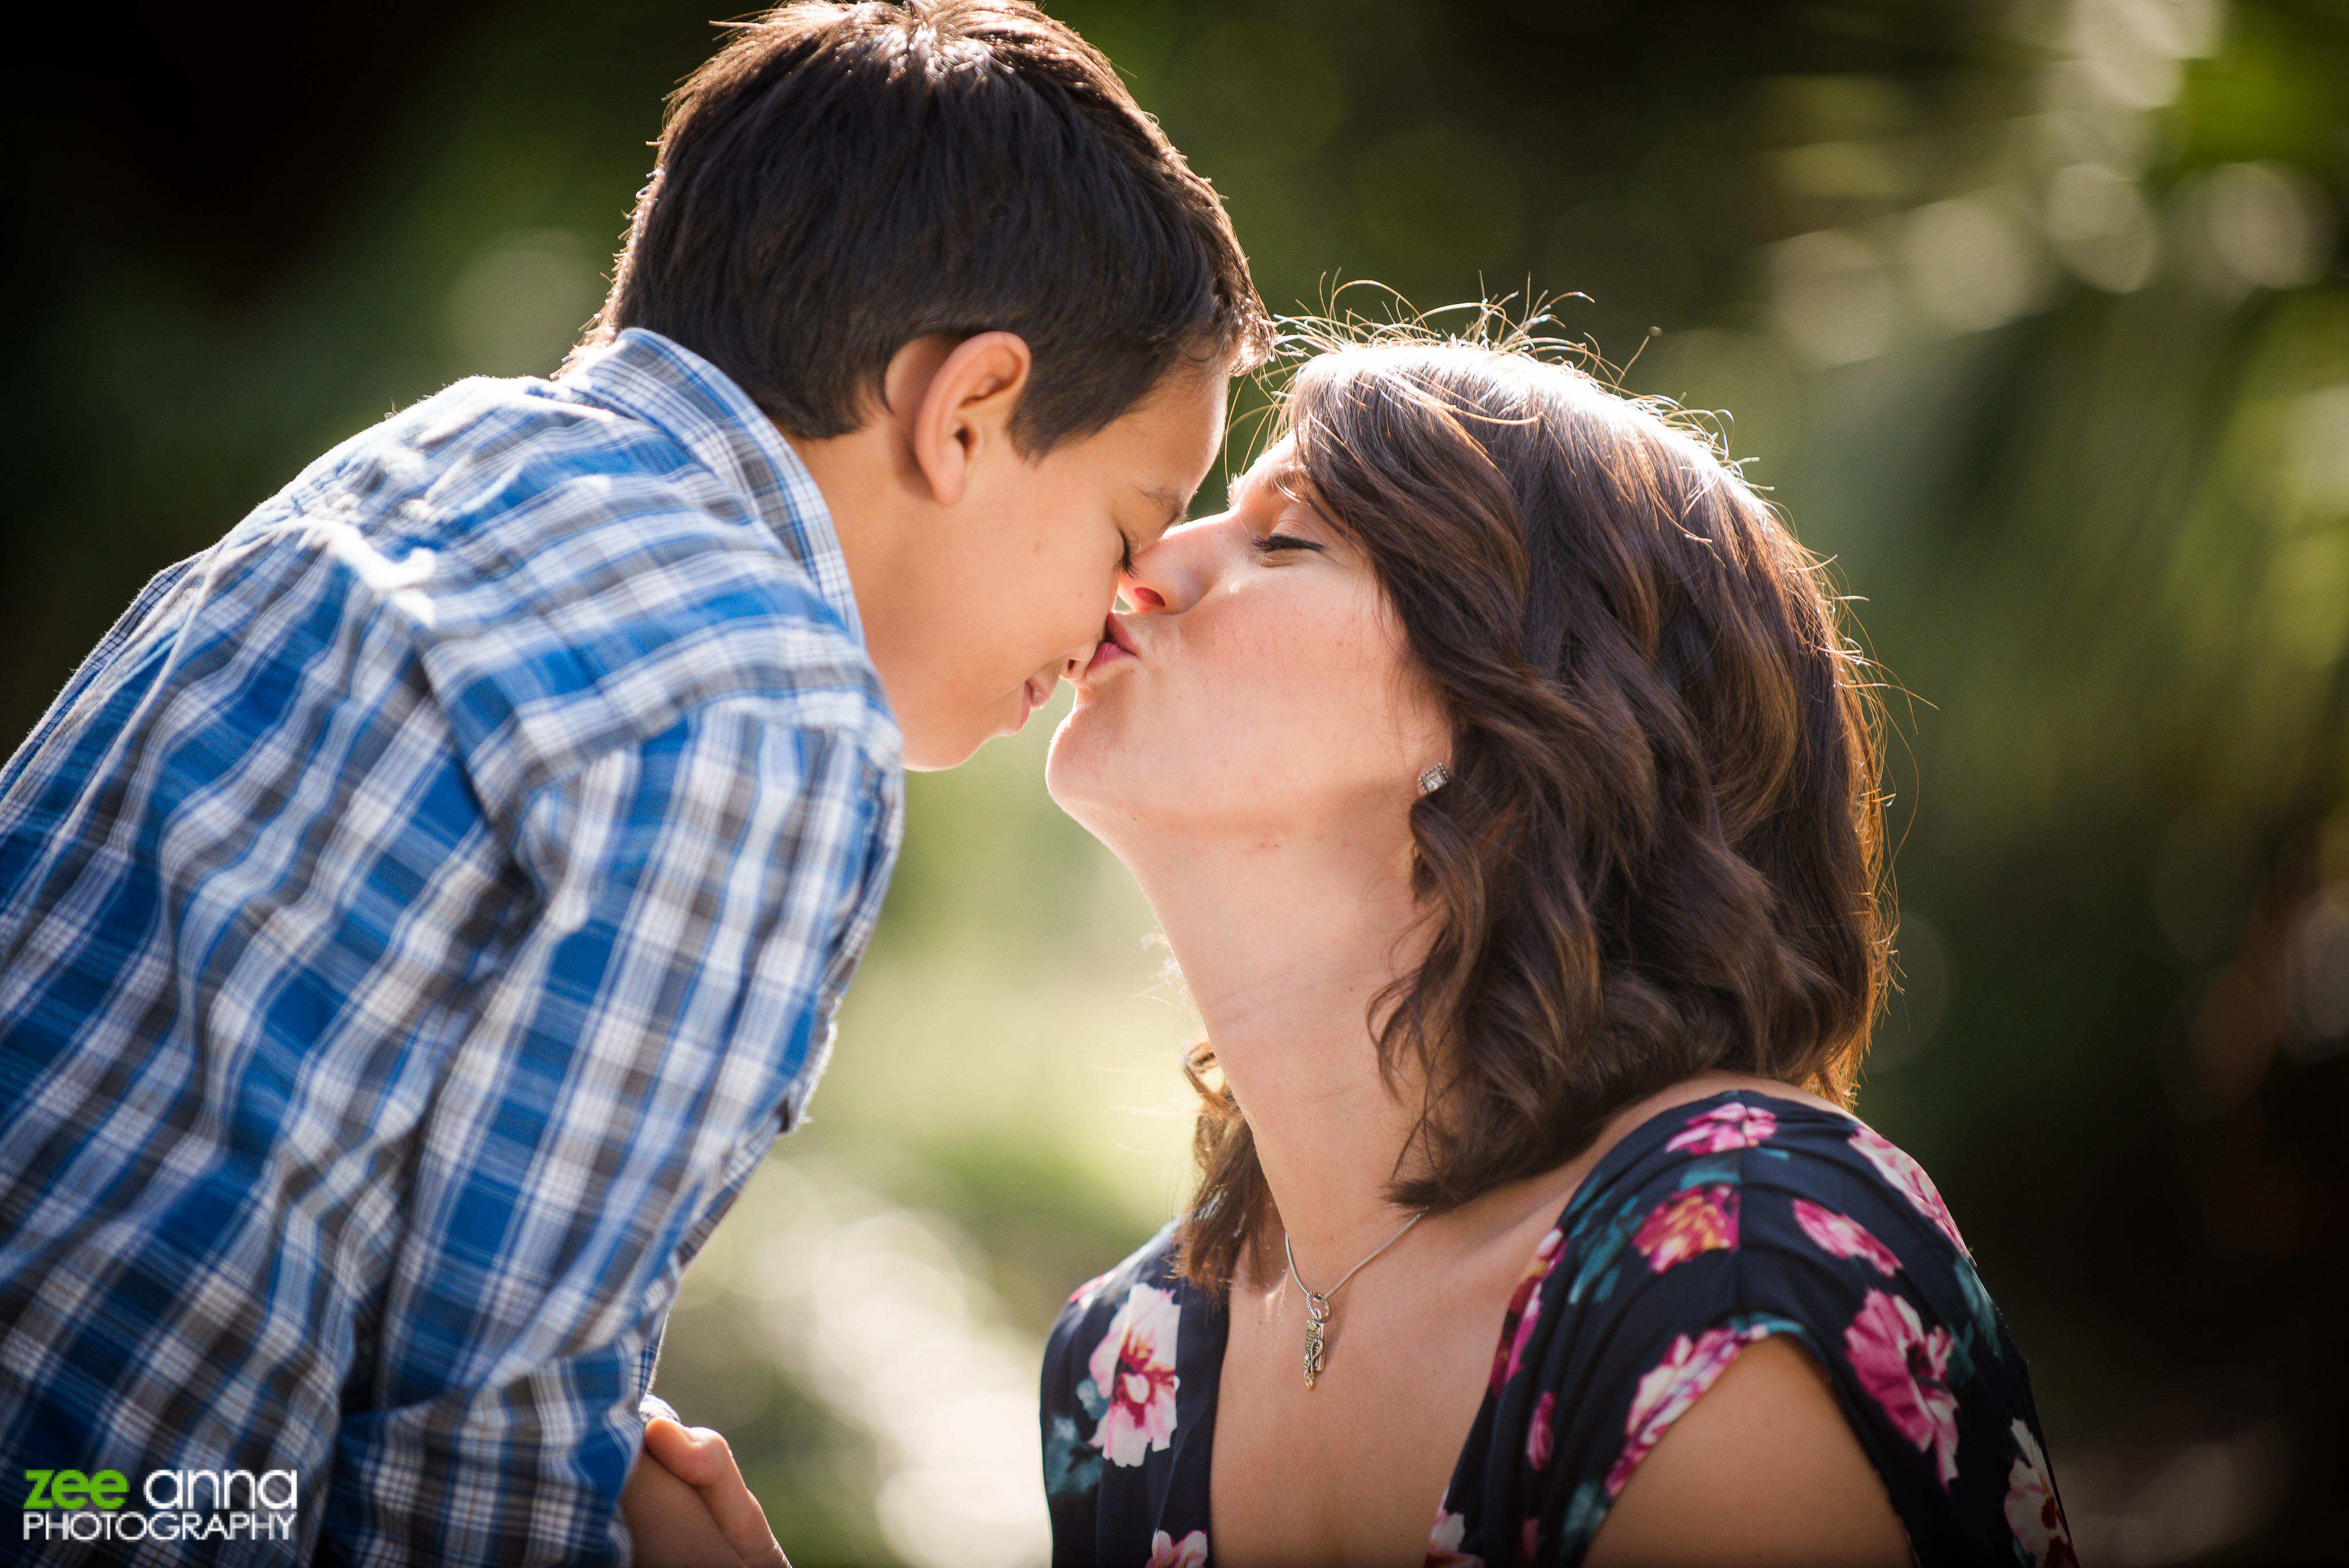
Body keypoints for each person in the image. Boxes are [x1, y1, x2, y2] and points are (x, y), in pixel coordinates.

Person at [0, 1, 1266, 1561]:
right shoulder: (764, 705)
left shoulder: (417, 471)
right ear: (968, 412)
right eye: (1129, 535)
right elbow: (477, 1446)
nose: (1108, 627)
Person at [1035, 326, 2076, 1566]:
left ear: (1509, 713)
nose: (1146, 561)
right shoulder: (1119, 1364)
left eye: (1285, 536)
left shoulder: (1723, 1266)